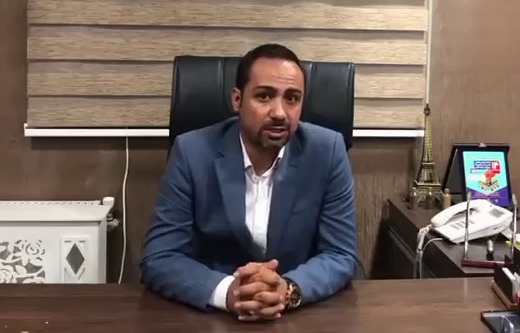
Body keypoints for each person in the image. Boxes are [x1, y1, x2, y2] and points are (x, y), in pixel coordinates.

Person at [140, 43, 359, 321]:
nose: (279, 112)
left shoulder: (328, 151)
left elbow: (341, 253)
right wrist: (228, 292)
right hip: (210, 317)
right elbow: (161, 256)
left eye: (292, 98)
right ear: (237, 99)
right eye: (264, 96)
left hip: (298, 317)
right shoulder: (192, 151)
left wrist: (287, 290)